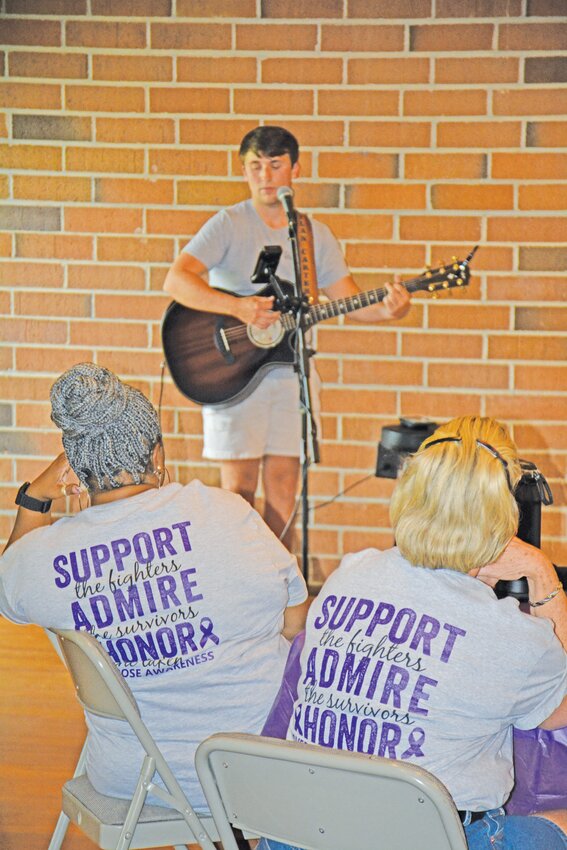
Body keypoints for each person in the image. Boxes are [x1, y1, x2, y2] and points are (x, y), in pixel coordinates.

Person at [0, 362, 308, 811]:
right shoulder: (224, 512)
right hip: (250, 768)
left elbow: (9, 586)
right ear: (156, 456)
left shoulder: (44, 557)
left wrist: (36, 497)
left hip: (132, 777)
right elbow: (295, 621)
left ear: (76, 467)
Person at [259, 415, 567, 850]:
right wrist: (540, 572)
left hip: (300, 835)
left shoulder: (349, 574)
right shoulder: (509, 636)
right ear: (505, 512)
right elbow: (558, 713)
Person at [163, 125, 411, 548]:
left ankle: (279, 588)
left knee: (284, 496)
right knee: (236, 493)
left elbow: (349, 301)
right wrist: (238, 307)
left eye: (275, 165)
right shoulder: (228, 223)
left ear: (295, 168)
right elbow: (176, 280)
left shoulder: (312, 234)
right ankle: (233, 582)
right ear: (244, 171)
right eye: (255, 166)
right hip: (232, 373)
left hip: (289, 374)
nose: (265, 176)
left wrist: (391, 309)